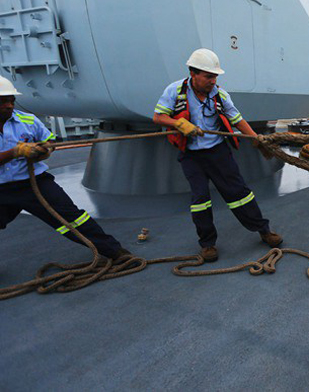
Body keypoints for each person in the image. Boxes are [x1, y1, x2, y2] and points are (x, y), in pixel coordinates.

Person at [153, 48, 282, 262]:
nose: (212, 81)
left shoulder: (220, 95)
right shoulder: (174, 91)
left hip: (217, 152)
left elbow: (237, 120)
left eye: (215, 77)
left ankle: (264, 230)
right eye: (208, 76)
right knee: (200, 199)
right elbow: (158, 117)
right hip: (191, 155)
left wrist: (257, 140)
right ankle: (207, 244)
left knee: (239, 193)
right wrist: (179, 123)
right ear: (193, 74)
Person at [0, 77, 131, 260]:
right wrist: (16, 152)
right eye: (3, 101)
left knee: (73, 219)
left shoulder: (27, 120)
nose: (9, 106)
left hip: (33, 182)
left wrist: (44, 150)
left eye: (12, 100)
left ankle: (116, 253)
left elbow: (49, 140)